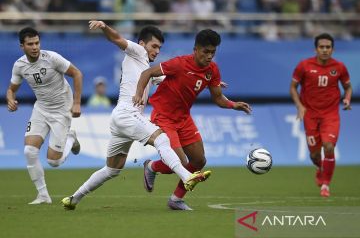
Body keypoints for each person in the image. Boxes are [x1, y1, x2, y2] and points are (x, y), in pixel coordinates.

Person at [61, 20, 211, 210]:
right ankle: (187, 176)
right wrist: (104, 27)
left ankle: (74, 199)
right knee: (162, 139)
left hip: (120, 119)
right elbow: (116, 38)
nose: (157, 51)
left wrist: (203, 79)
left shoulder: (148, 69)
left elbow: (176, 78)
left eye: (159, 47)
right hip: (127, 114)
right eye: (154, 46)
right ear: (142, 44)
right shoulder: (137, 51)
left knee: (112, 169)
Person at [133, 29, 252, 210]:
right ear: (195, 49)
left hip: (184, 118)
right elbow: (147, 73)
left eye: (213, 52)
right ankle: (152, 167)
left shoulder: (212, 70)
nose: (210, 56)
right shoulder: (179, 64)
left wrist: (233, 105)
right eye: (206, 51)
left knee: (199, 161)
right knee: (180, 162)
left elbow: (218, 97)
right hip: (164, 116)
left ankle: (176, 199)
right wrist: (139, 95)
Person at [6, 27, 83, 204]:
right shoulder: (19, 65)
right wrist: (10, 99)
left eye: (37, 43)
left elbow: (77, 73)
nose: (35, 47)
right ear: (22, 46)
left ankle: (71, 138)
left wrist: (77, 103)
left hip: (62, 109)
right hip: (41, 108)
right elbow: (11, 89)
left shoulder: (52, 58)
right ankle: (43, 195)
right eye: (30, 44)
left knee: (53, 162)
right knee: (29, 151)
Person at [290, 33, 352, 197]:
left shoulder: (339, 67)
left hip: (330, 114)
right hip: (310, 115)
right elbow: (293, 87)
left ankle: (326, 185)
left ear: (332, 49)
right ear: (316, 49)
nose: (325, 50)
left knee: (329, 146)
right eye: (321, 47)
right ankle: (319, 167)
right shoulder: (304, 65)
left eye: (328, 47)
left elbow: (348, 87)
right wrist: (299, 106)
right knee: (315, 155)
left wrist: (347, 99)